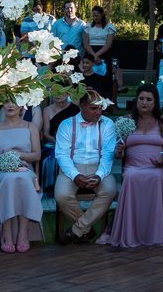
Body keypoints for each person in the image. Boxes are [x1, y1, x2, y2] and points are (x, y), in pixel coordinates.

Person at [98, 85, 163, 247]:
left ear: (155, 102)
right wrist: (119, 150)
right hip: (133, 167)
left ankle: (155, 234)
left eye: (149, 99)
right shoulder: (127, 121)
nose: (144, 102)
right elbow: (119, 155)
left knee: (158, 177)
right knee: (132, 176)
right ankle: (130, 233)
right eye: (141, 99)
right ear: (136, 100)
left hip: (157, 168)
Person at [54, 91, 118, 243]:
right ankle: (86, 230)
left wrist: (100, 175)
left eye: (100, 108)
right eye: (93, 108)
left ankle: (77, 230)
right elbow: (62, 155)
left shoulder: (108, 124)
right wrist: (75, 175)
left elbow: (108, 154)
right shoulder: (66, 124)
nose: (99, 112)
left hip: (99, 166)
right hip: (72, 166)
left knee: (110, 191)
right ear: (81, 106)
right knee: (61, 195)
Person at [0, 100, 44, 252]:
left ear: (22, 106)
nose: (10, 106)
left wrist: (17, 155)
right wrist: (6, 164)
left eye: (15, 102)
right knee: (10, 179)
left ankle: (23, 231)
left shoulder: (31, 127)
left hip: (24, 171)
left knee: (22, 178)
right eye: (7, 102)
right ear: (2, 105)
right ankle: (7, 230)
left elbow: (37, 155)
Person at [83, 6, 116, 76]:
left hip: (104, 53)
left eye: (96, 16)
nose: (94, 18)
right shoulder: (88, 26)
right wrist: (94, 56)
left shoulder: (109, 27)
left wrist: (96, 55)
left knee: (104, 76)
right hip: (90, 52)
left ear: (102, 14)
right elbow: (85, 43)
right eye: (93, 16)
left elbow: (108, 44)